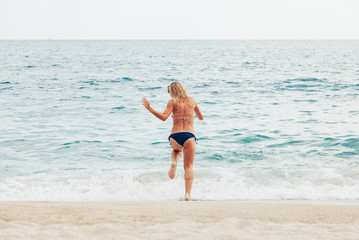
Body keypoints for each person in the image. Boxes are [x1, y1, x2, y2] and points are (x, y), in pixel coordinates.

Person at [142, 82, 204, 201]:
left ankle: (174, 161)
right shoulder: (192, 101)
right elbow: (201, 117)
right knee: (189, 167)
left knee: (176, 150)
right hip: (189, 136)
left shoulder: (172, 102)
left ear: (172, 92)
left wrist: (150, 108)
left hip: (175, 136)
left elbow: (164, 117)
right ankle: (187, 195)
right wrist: (191, 116)